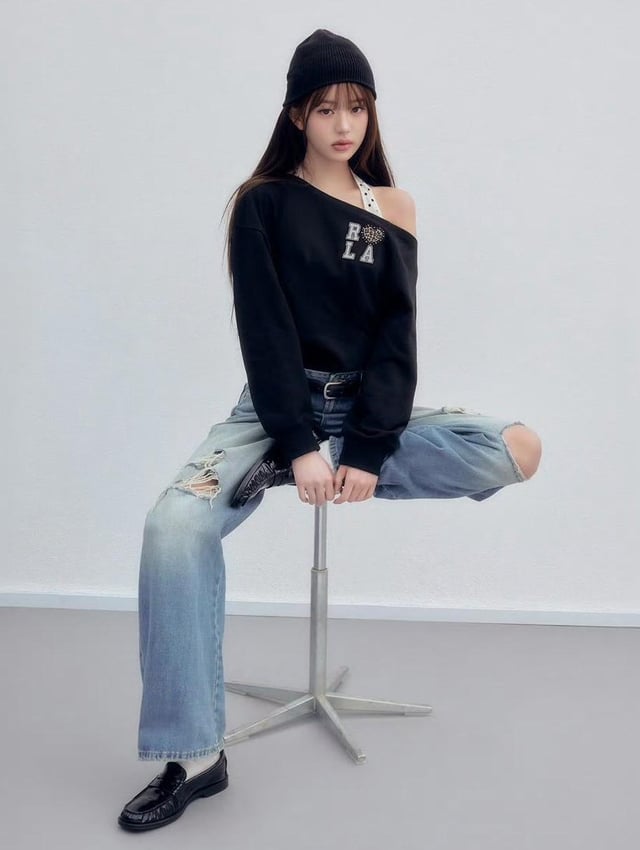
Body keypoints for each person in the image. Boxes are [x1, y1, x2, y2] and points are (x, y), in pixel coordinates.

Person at [117, 28, 542, 832]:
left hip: (364, 413)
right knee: (171, 528)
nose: (343, 124)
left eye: (356, 107)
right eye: (324, 109)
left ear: (371, 114)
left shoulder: (395, 208)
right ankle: (195, 757)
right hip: (276, 409)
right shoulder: (263, 203)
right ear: (296, 116)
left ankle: (316, 465)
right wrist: (299, 441)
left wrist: (370, 450)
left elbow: (395, 339)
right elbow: (265, 331)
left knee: (516, 449)